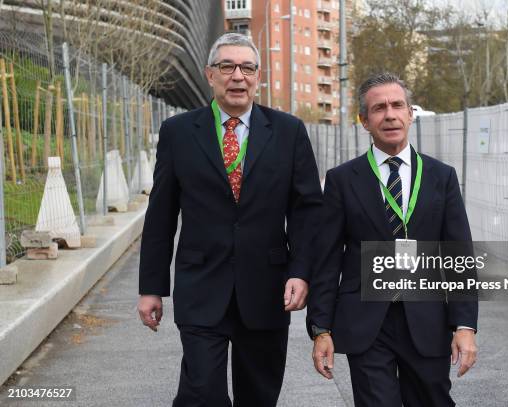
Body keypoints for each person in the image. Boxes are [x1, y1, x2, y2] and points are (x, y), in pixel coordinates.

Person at [137, 33, 323, 407]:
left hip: (268, 290)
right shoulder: (179, 133)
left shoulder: (288, 132)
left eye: (248, 68)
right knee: (201, 393)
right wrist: (151, 287)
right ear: (210, 74)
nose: (238, 76)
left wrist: (301, 272)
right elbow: (161, 213)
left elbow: (307, 212)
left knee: (259, 396)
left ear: (258, 76)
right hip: (201, 285)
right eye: (228, 67)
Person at [307, 72, 478, 407]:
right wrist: (321, 328)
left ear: (410, 113)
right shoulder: (343, 180)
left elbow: (459, 255)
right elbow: (326, 259)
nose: (390, 114)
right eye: (379, 108)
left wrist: (465, 326)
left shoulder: (441, 177)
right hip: (367, 323)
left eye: (398, 105)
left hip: (427, 320)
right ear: (364, 121)